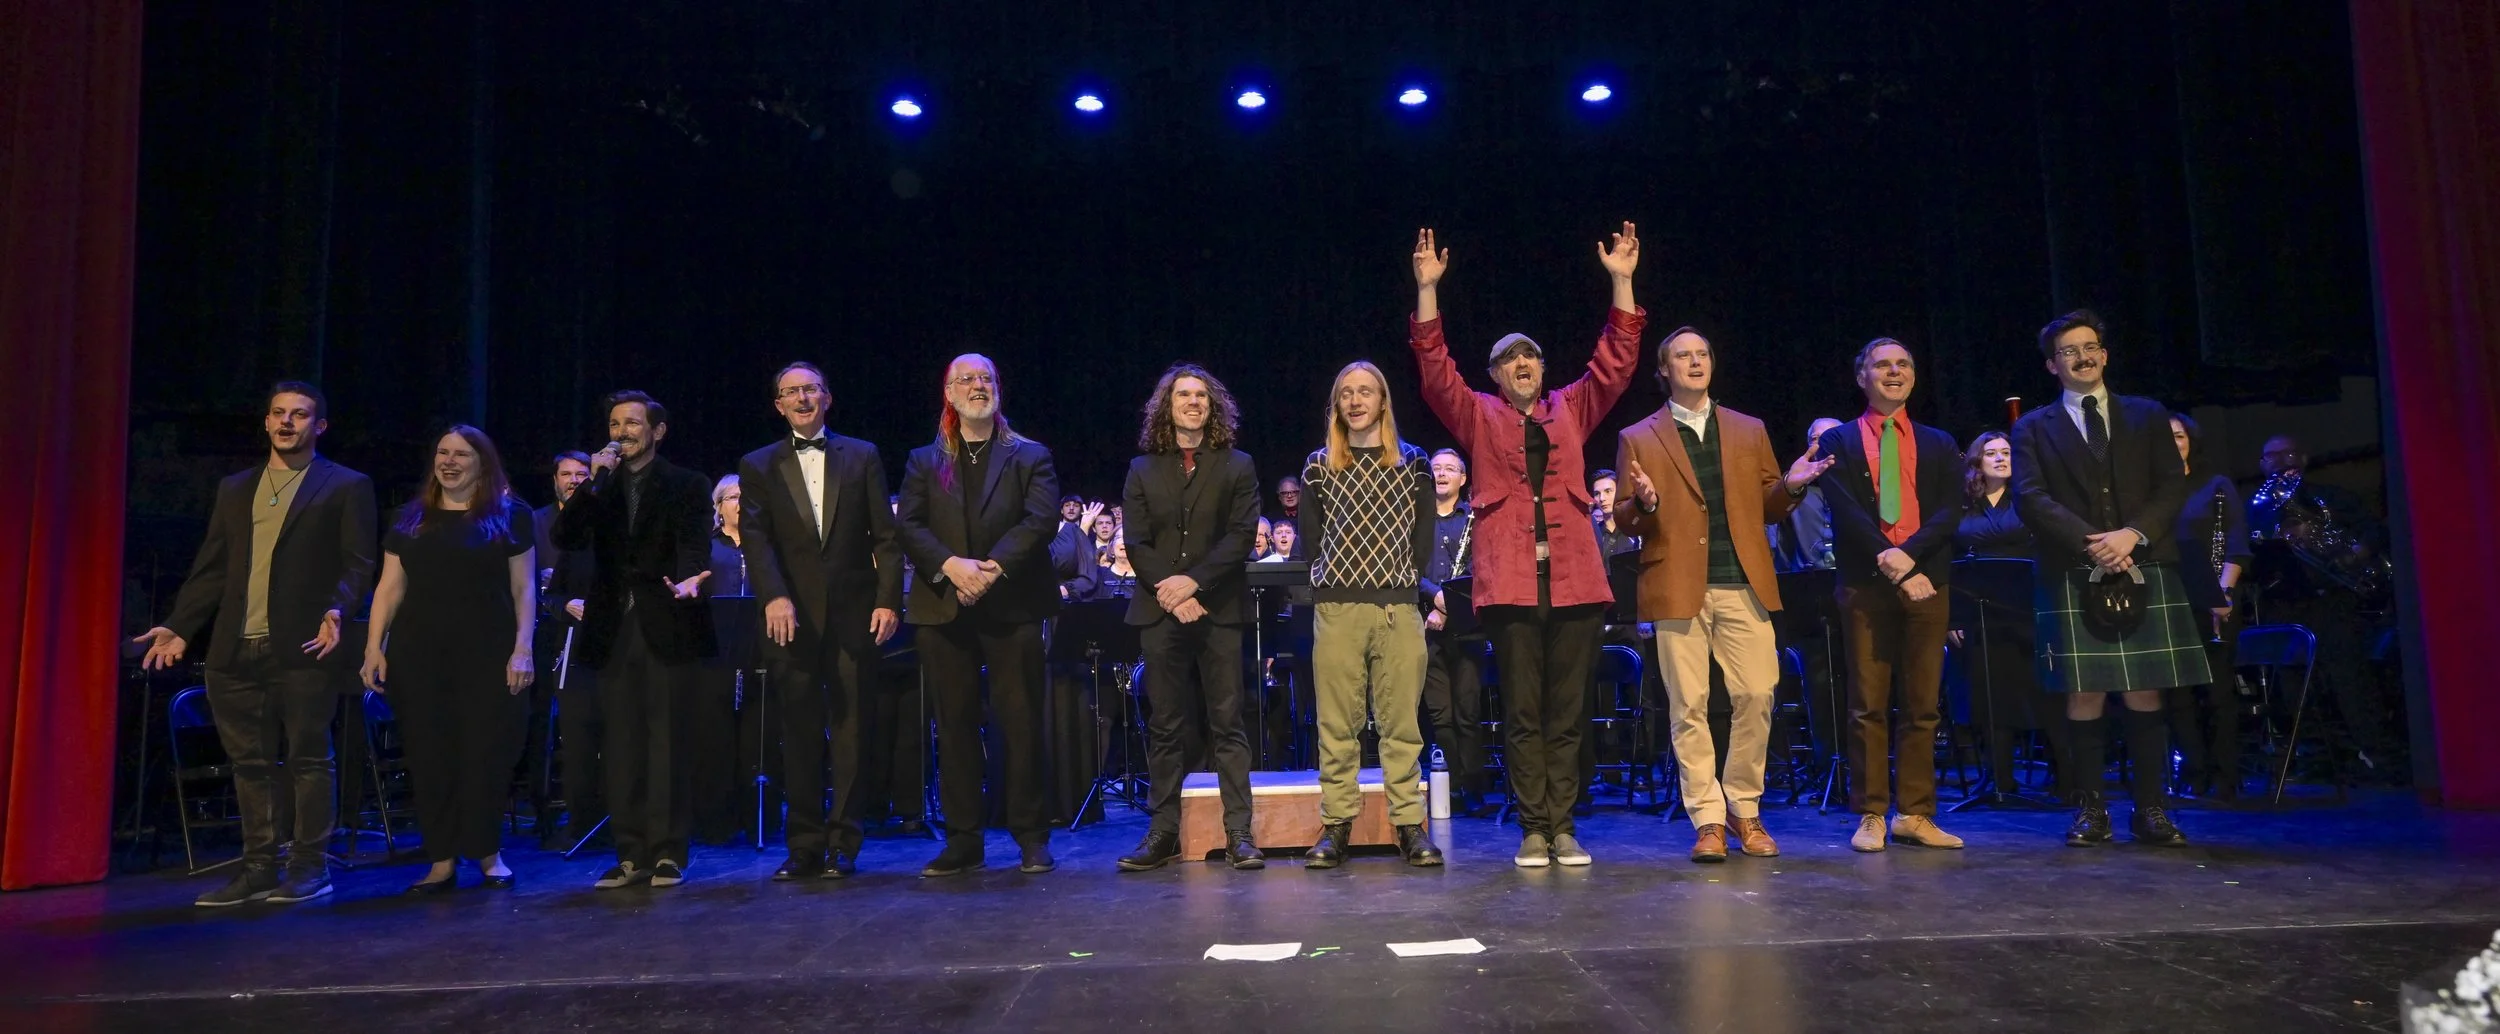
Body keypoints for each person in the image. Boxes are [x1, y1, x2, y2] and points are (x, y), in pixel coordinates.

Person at [1409, 223, 1645, 868]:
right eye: (1510, 358)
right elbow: (1435, 374)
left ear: (1542, 370)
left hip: (1574, 581)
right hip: (1510, 582)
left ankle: (1563, 825)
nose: (1522, 363)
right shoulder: (1479, 415)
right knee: (1523, 711)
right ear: (1495, 374)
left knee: (1567, 711)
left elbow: (1617, 362)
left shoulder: (1571, 407)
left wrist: (1621, 281)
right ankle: (1533, 827)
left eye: (1531, 357)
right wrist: (1428, 291)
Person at [138, 382, 377, 907]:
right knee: (249, 764)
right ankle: (259, 869)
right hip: (235, 648)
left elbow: (359, 561)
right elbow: (212, 568)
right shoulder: (235, 488)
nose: (287, 422)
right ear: (266, 422)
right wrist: (180, 624)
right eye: (278, 414)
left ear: (320, 426)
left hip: (305, 646)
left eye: (300, 415)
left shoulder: (345, 485)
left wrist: (337, 607)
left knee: (309, 759)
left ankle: (311, 867)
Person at [1614, 329, 1833, 864]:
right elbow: (1623, 518)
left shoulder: (1747, 428)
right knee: (1688, 705)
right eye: (1682, 356)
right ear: (1663, 370)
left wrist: (1793, 484)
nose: (1695, 362)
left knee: (1757, 693)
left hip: (1742, 580)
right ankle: (1708, 818)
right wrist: (1642, 502)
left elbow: (1769, 504)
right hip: (1676, 584)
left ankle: (1743, 805)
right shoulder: (1638, 436)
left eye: (1702, 354)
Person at [2011, 309, 2208, 847]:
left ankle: (2151, 810)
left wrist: (2132, 535)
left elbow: (2171, 486)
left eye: (2091, 346)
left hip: (2144, 563)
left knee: (2146, 691)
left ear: (2106, 353)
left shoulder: (2146, 414)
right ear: (2053, 365)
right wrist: (2092, 542)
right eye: (2069, 351)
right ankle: (2091, 810)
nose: (2083, 357)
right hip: (2074, 568)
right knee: (2084, 693)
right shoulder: (2032, 427)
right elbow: (2030, 497)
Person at [895, 354, 1067, 876]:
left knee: (1020, 725)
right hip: (943, 606)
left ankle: (1031, 837)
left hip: (1012, 602)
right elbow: (911, 525)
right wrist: (952, 567)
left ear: (998, 390)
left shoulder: (1029, 454)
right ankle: (963, 840)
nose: (977, 386)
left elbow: (1040, 519)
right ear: (948, 393)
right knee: (954, 727)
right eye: (966, 379)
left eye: (986, 378)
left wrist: (988, 570)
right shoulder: (924, 460)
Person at [734, 363, 902, 881]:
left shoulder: (863, 454)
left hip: (855, 615)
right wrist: (774, 598)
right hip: (791, 619)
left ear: (827, 397)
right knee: (800, 732)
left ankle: (843, 843)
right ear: (778, 405)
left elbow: (886, 537)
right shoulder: (758, 463)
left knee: (852, 733)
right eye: (791, 392)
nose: (802, 398)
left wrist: (889, 600)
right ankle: (803, 843)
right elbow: (757, 540)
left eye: (810, 389)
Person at [553, 390, 721, 888]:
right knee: (621, 744)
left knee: (666, 741)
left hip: (667, 620)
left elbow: (694, 543)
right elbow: (566, 539)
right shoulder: (598, 487)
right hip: (611, 627)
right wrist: (591, 481)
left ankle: (669, 851)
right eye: (614, 423)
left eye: (631, 423)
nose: (621, 432)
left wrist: (692, 577)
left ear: (657, 430)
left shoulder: (686, 483)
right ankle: (630, 853)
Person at [361, 426, 537, 892]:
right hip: (420, 655)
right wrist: (373, 645)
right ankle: (440, 859)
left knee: (485, 754)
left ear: (483, 462)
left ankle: (486, 852)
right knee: (429, 755)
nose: (450, 461)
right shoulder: (411, 516)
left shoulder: (510, 515)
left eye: (462, 453)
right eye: (443, 452)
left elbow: (524, 588)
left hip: (489, 652)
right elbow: (389, 587)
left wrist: (523, 648)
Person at [1813, 340, 1966, 852]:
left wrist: (1911, 557)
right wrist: (1892, 562)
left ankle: (1916, 813)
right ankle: (1872, 812)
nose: (1894, 372)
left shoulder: (1939, 441)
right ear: (1862, 377)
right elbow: (1848, 513)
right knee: (1868, 705)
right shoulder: (1838, 440)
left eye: (1903, 365)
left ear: (1914, 378)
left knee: (1923, 704)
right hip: (1866, 583)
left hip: (1927, 581)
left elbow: (1949, 511)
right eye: (1883, 365)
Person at [1115, 363, 1263, 871]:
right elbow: (1135, 541)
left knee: (1228, 721)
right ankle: (1162, 834)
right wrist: (1172, 592)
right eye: (1183, 394)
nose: (1193, 401)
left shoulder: (1237, 464)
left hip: (1218, 609)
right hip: (1160, 612)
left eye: (1201, 395)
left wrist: (1194, 583)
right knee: (1166, 725)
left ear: (1213, 405)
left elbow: (1241, 536)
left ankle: (1239, 832)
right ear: (1168, 405)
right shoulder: (1141, 469)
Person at [1296, 361, 1444, 868]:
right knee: (1338, 726)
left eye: (1366, 392)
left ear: (1383, 401)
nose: (1356, 401)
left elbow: (1422, 540)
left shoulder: (1415, 462)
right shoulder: (1319, 465)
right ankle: (1336, 825)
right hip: (1338, 608)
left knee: (1401, 724)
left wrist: (1402, 585)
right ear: (1336, 406)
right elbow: (1310, 541)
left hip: (1396, 608)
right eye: (1346, 394)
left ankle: (1409, 825)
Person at [1951, 431, 2064, 800]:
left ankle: (2067, 779)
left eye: (2006, 452)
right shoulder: (1962, 504)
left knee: (2044, 693)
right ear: (1977, 461)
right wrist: (1951, 617)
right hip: (1980, 612)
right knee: (1988, 695)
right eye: (1991, 453)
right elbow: (1946, 559)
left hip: (2030, 608)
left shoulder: (2030, 499)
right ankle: (1999, 780)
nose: (2001, 458)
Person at [2166, 414, 2250, 800]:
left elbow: (2236, 543)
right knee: (2179, 696)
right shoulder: (2152, 490)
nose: (2172, 442)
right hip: (2169, 600)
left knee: (2217, 694)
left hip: (2213, 599)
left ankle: (2226, 774)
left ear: (2190, 441)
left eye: (2179, 436)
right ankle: (2194, 771)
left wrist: (2224, 595)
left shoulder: (2215, 485)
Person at [525, 452, 599, 842]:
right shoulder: (536, 522)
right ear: (554, 480)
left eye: (581, 474)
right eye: (566, 474)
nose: (573, 480)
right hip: (544, 635)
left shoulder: (597, 516)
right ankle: (542, 813)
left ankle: (585, 811)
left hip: (590, 633)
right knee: (542, 724)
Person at [1420, 448, 1491, 816]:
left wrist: (1448, 607)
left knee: (1467, 712)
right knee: (1440, 715)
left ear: (1463, 479)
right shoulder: (1416, 518)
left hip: (1467, 629)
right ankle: (1452, 785)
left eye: (1451, 469)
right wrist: (1436, 599)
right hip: (1428, 628)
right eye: (1437, 469)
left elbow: (1482, 568)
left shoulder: (1475, 520)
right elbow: (1408, 566)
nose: (1443, 474)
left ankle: (1474, 787)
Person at [690, 474, 758, 844]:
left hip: (755, 652)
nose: (740, 502)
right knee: (713, 738)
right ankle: (715, 819)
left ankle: (754, 815)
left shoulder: (764, 544)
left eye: (746, 497)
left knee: (754, 737)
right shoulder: (708, 545)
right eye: (733, 497)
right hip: (714, 653)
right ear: (718, 506)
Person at [1770, 418, 1845, 573]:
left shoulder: (1863, 488)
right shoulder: (1796, 492)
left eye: (1831, 436)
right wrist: (1790, 486)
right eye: (1815, 439)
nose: (1822, 443)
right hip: (1804, 584)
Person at [1590, 469, 1641, 556]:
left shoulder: (1635, 527)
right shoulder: (1594, 534)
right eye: (1597, 493)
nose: (1602, 498)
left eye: (1608, 491)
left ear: (1619, 491)